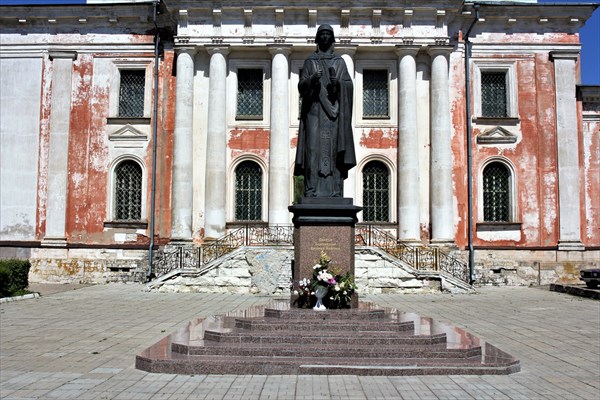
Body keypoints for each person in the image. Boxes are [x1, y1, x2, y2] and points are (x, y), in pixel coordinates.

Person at [294, 24, 356, 198]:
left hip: (334, 115)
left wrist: (337, 84)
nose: (325, 37)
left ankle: (336, 190)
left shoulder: (339, 62)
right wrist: (312, 79)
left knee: (334, 149)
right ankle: (311, 189)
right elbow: (301, 87)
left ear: (332, 38)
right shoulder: (310, 61)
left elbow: (348, 85)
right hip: (314, 113)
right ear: (317, 38)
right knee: (312, 150)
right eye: (322, 34)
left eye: (328, 34)